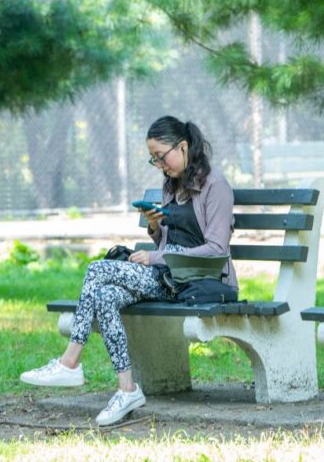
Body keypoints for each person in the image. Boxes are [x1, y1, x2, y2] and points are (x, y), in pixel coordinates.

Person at [19, 115, 237, 426]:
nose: (160, 164)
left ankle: (69, 363)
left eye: (161, 156)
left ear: (184, 146)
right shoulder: (170, 187)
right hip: (168, 278)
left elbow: (216, 250)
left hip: (197, 281)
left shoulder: (216, 186)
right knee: (105, 296)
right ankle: (127, 389)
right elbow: (169, 238)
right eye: (154, 159)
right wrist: (154, 227)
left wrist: (157, 256)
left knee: (97, 270)